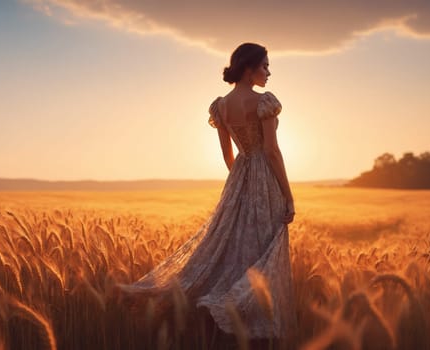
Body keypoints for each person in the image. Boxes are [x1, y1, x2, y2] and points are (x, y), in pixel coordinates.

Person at [115, 42, 297, 345]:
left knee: (231, 248)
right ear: (249, 68)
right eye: (265, 65)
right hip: (265, 179)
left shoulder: (221, 106)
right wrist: (287, 195)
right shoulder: (264, 102)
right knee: (262, 249)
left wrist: (240, 184)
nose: (269, 71)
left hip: (239, 177)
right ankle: (237, 312)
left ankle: (214, 311)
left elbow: (228, 155)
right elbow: (272, 151)